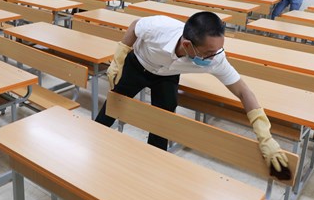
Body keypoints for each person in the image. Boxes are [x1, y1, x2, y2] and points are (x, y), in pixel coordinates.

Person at [94, 11, 290, 176]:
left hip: (167, 75)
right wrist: (118, 58)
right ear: (188, 45)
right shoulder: (159, 28)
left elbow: (243, 91)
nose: (215, 56)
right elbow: (135, 26)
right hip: (138, 65)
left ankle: (153, 163)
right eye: (209, 52)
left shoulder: (216, 58)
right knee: (116, 100)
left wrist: (265, 136)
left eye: (219, 50)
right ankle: (94, 140)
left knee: (164, 117)